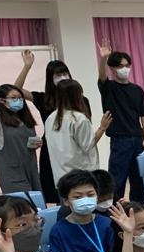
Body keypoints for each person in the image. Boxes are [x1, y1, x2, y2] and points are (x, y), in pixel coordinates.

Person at [15, 50, 104, 204]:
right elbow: (16, 90)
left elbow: (85, 134)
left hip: (75, 148)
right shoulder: (44, 99)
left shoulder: (82, 102)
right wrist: (27, 67)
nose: (62, 77)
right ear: (50, 78)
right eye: (57, 74)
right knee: (60, 189)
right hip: (54, 149)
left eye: (64, 73)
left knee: (76, 188)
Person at [97, 38, 144, 202]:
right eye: (120, 66)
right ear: (113, 68)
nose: (125, 69)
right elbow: (102, 76)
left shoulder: (137, 90)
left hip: (138, 139)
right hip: (120, 140)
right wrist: (104, 58)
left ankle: (137, 209)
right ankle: (114, 211)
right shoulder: (109, 87)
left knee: (139, 180)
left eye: (127, 65)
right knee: (117, 180)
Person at [45, 79, 108, 181]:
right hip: (81, 176)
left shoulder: (50, 119)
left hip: (61, 176)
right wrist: (102, 127)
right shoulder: (78, 119)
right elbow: (88, 145)